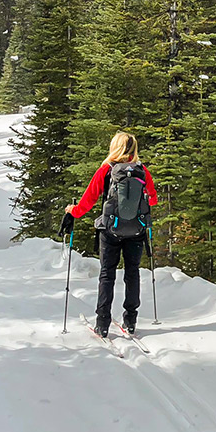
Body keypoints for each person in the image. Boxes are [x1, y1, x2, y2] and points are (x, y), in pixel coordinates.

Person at [65, 131, 158, 337]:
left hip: (110, 230)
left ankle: (102, 323)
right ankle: (130, 321)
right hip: (136, 230)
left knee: (107, 273)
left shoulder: (106, 171)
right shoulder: (142, 171)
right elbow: (153, 200)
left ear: (114, 147)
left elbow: (87, 202)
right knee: (132, 273)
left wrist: (73, 211)